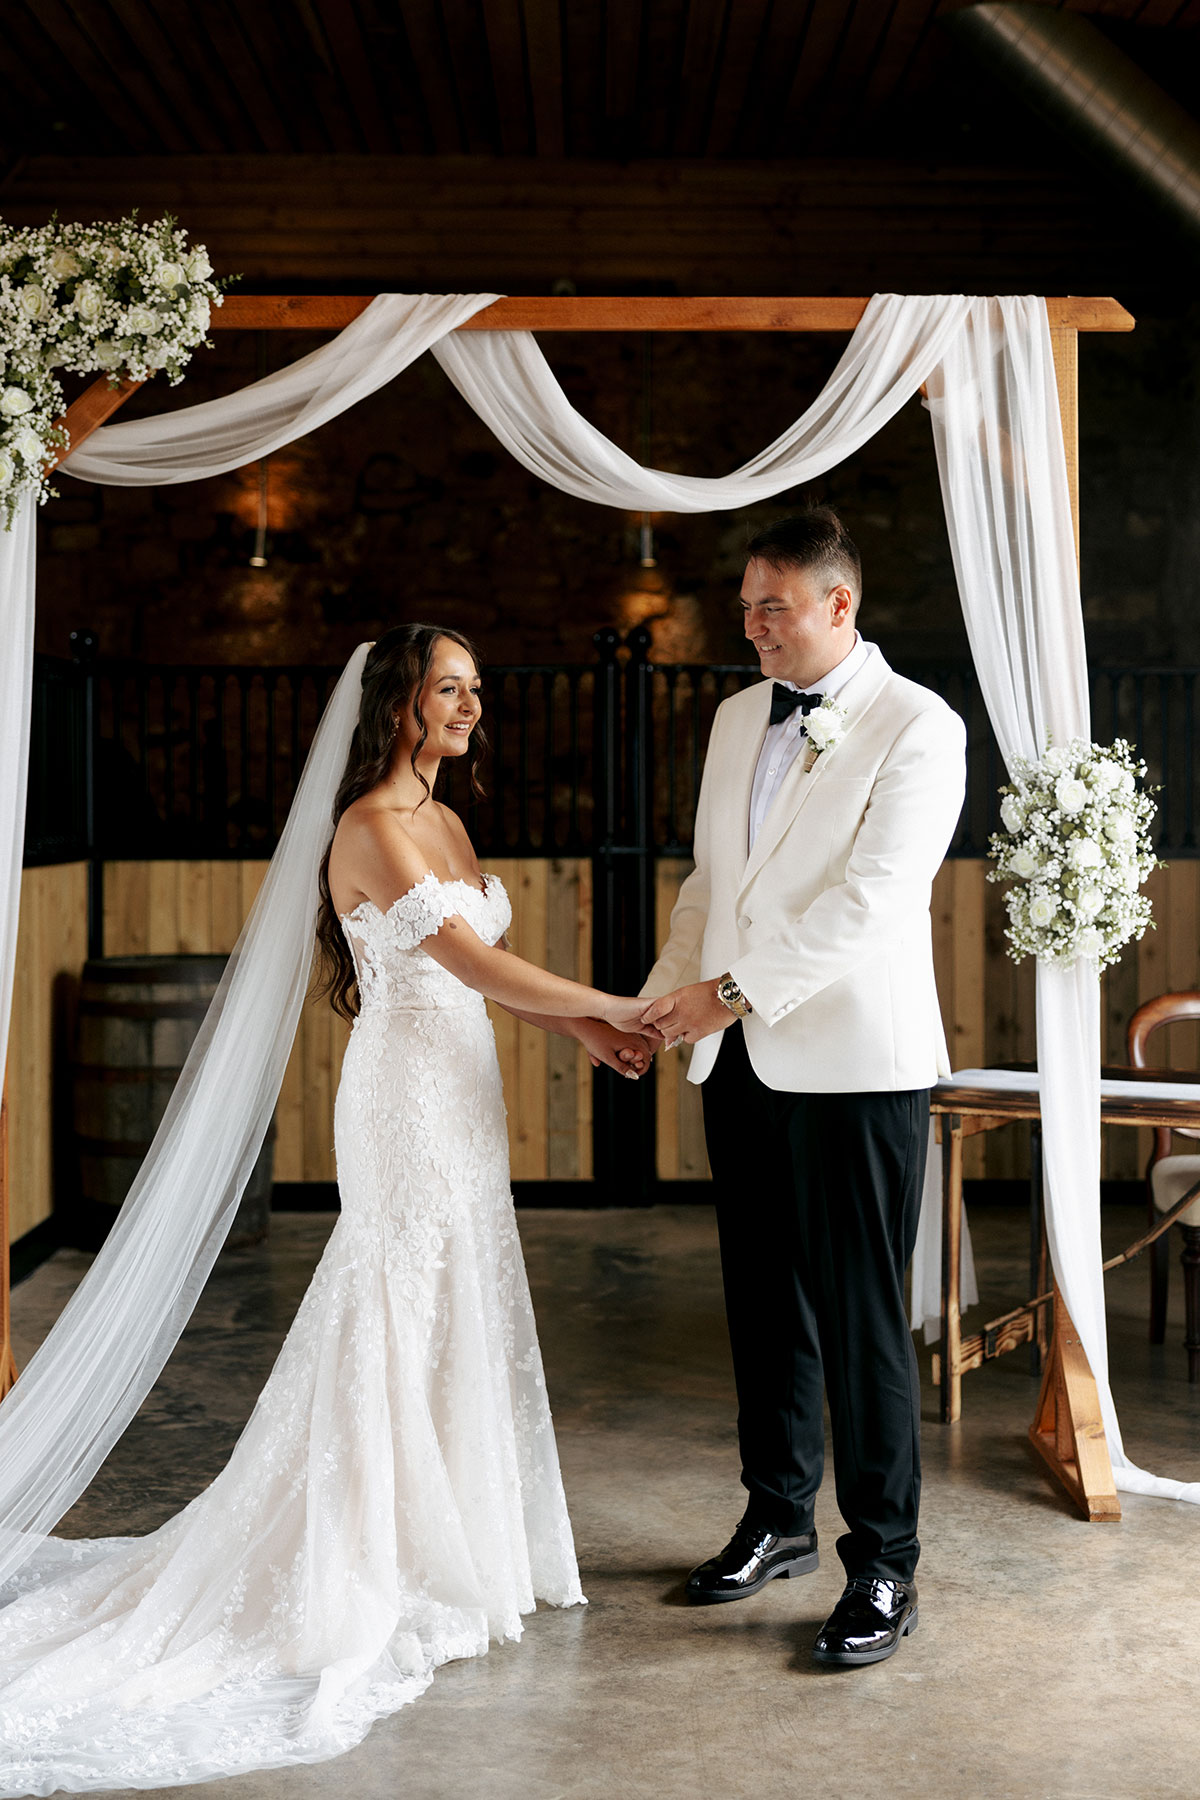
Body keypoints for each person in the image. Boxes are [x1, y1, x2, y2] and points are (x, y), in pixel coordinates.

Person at [0, 623, 651, 1794]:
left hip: (464, 1093)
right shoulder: (372, 827)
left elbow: (490, 987)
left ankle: (448, 1537)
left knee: (460, 1297)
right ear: (399, 703)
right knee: (392, 1298)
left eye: (476, 689)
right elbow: (469, 961)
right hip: (402, 1101)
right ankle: (367, 1554)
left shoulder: (449, 820)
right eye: (449, 688)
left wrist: (590, 1033)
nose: (470, 707)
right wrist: (614, 999)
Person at [640, 509, 966, 1668]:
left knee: (862, 1315)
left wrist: (721, 994)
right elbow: (706, 885)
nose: (751, 626)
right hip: (740, 1057)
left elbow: (870, 904)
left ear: (841, 605)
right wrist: (659, 1006)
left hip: (855, 1066)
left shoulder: (920, 727)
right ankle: (777, 1516)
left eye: (772, 606)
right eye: (745, 606)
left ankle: (884, 1564)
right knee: (763, 1304)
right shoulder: (737, 717)